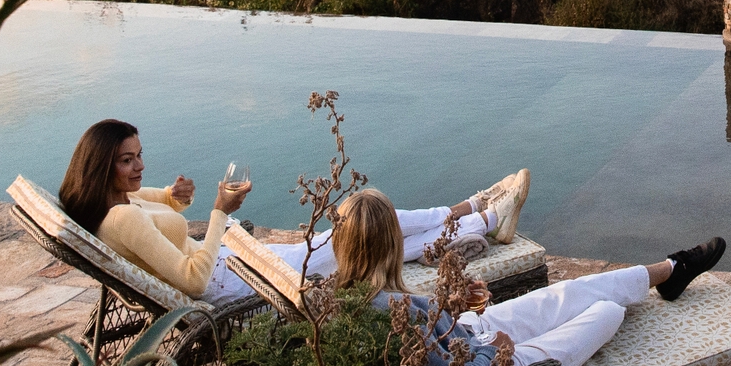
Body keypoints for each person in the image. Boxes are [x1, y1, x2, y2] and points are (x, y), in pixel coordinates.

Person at [57, 119, 530, 305]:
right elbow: (194, 280)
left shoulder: (113, 203)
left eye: (139, 154)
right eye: (127, 160)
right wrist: (220, 212)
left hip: (234, 265)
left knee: (351, 237)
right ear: (103, 165)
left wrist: (172, 194)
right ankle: (482, 215)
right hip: (235, 281)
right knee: (355, 231)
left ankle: (467, 218)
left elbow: (154, 208)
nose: (139, 165)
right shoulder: (120, 218)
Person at [331, 189, 726, 366]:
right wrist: (492, 349)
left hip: (468, 335)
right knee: (607, 311)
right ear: (393, 246)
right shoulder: (396, 312)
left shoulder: (342, 300)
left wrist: (447, 310)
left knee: (566, 294)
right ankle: (672, 270)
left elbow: (427, 348)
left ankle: (674, 269)